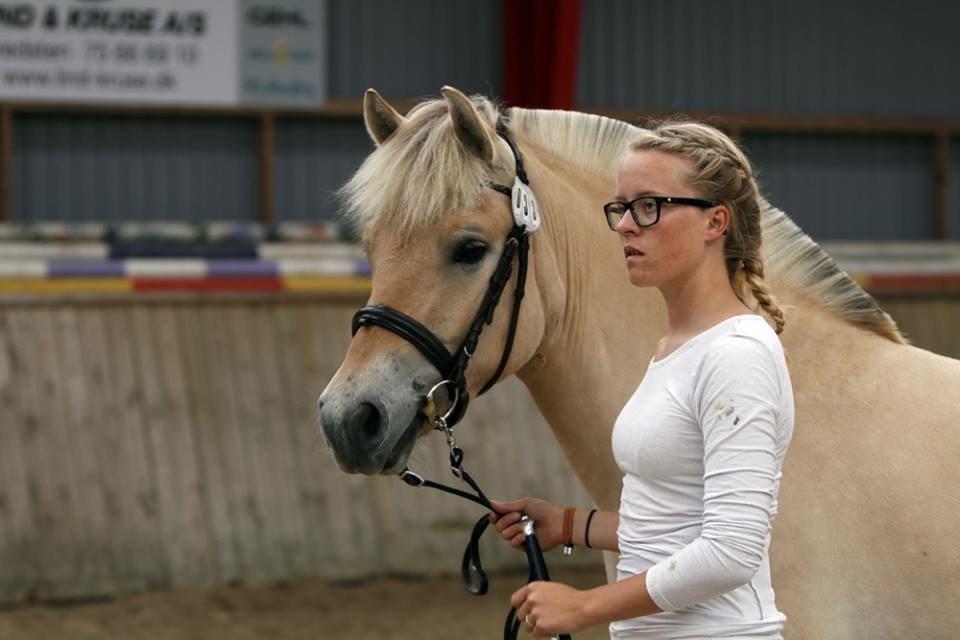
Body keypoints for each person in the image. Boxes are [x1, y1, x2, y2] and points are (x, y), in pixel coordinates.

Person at [490, 121, 795, 639]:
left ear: (714, 221)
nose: (627, 225)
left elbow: (731, 551)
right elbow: (670, 528)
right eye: (622, 208)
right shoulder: (675, 350)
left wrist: (585, 607)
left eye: (650, 206)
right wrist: (569, 525)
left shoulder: (735, 355)